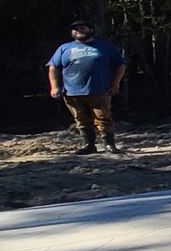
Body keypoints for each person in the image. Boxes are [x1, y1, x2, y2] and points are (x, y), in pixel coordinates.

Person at [47, 19, 127, 154]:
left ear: (91, 30)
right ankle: (88, 145)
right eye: (75, 29)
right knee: (81, 120)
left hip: (100, 90)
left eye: (82, 28)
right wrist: (54, 86)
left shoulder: (105, 47)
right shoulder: (64, 48)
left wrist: (115, 83)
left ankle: (109, 145)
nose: (78, 31)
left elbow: (120, 65)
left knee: (103, 118)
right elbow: (53, 67)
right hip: (72, 91)